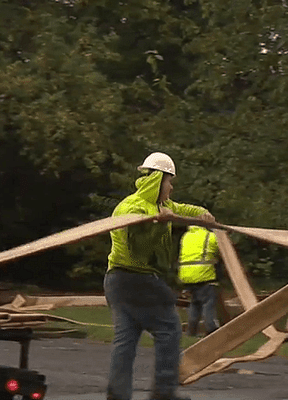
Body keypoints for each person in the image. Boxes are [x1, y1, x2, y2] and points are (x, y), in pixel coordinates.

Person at [104, 152, 215, 400]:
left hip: (116, 281)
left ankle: (117, 395)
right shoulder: (132, 208)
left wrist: (202, 213)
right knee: (170, 328)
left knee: (126, 339)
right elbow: (137, 248)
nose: (172, 187)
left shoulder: (161, 206)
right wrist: (156, 225)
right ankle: (163, 393)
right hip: (135, 279)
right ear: (157, 180)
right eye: (169, 181)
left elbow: (183, 209)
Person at [178, 225, 221, 337]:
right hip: (203, 274)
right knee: (208, 303)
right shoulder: (210, 236)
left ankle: (191, 332)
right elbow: (220, 250)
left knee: (195, 303)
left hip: (186, 275)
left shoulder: (186, 236)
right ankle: (211, 330)